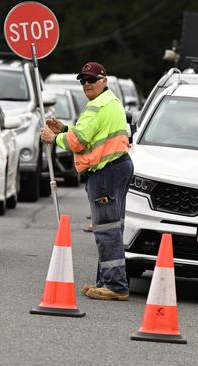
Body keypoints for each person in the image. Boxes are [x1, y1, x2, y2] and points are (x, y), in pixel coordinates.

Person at [40, 62, 133, 301]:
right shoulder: (110, 102)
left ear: (104, 80)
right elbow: (89, 136)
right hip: (118, 167)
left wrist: (55, 137)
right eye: (83, 80)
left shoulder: (96, 107)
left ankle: (115, 285)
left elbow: (77, 142)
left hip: (105, 173)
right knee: (113, 227)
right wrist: (65, 129)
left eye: (92, 79)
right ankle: (107, 280)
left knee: (107, 229)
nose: (87, 84)